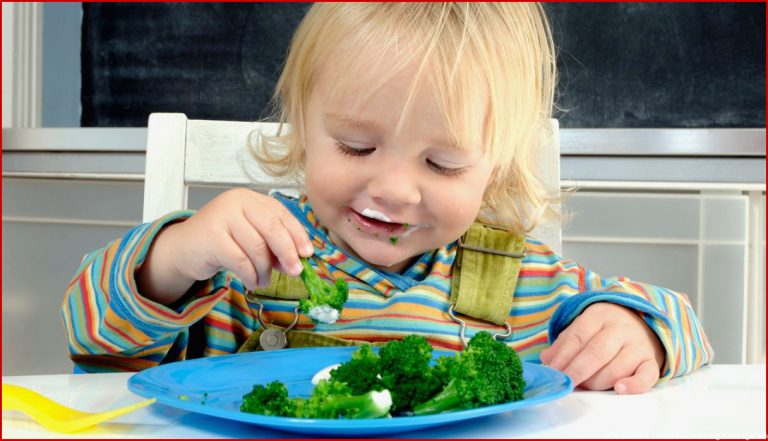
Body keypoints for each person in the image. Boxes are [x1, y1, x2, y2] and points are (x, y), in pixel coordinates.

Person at [61, 3, 711, 394]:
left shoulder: (523, 283)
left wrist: (639, 334)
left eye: (443, 162)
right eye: (354, 146)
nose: (395, 188)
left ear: (495, 170)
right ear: (302, 128)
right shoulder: (247, 265)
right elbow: (96, 345)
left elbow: (682, 320)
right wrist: (176, 255)